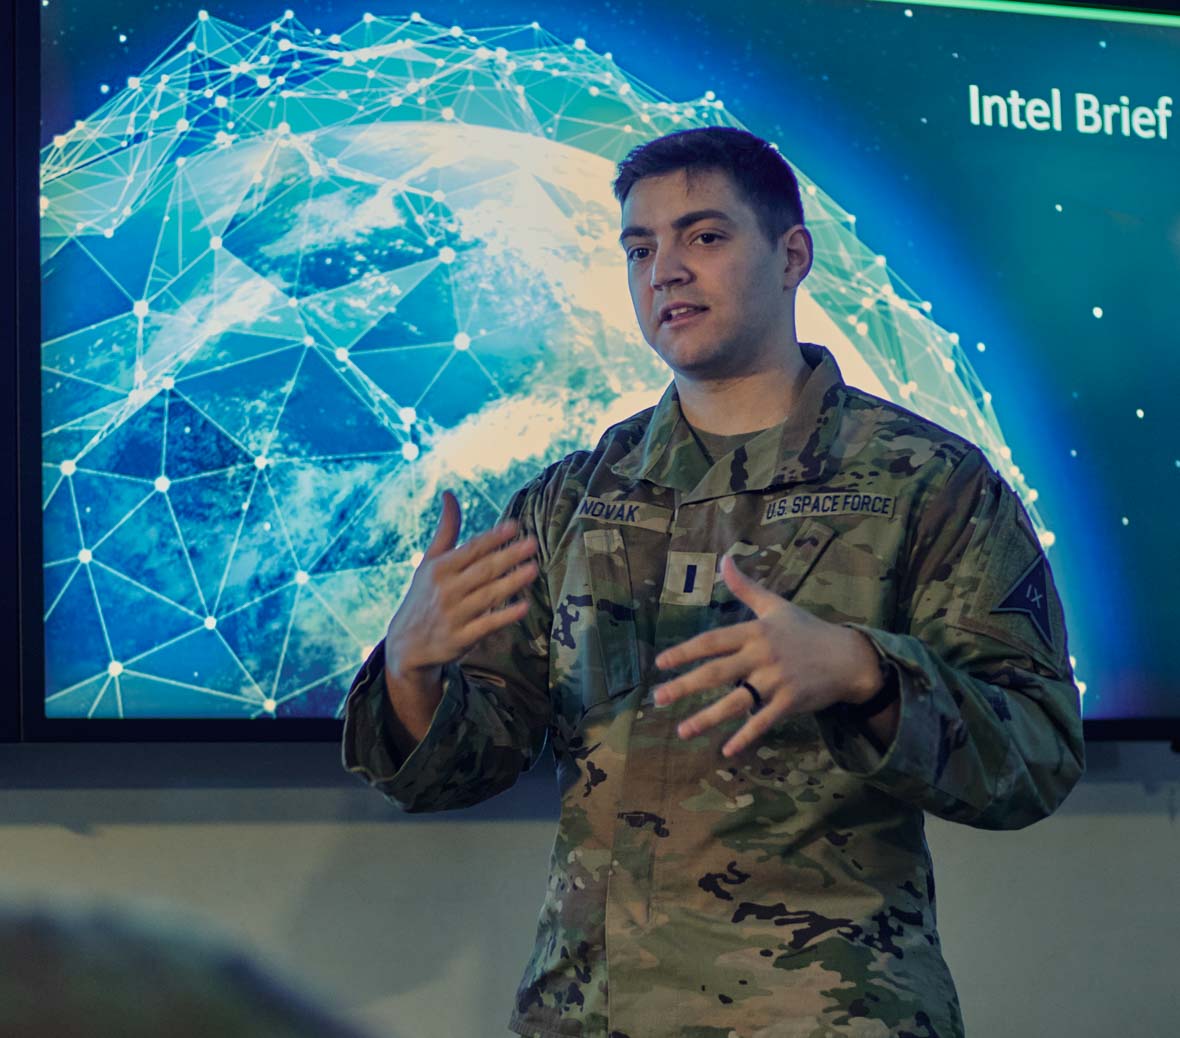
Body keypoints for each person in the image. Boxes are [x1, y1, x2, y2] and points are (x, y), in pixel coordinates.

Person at [343, 127, 1084, 1038]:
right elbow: (464, 766)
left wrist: (866, 674)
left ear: (792, 256)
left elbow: (1037, 756)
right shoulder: (573, 498)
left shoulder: (928, 483)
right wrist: (412, 673)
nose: (666, 271)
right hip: (592, 1012)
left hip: (832, 1015)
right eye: (640, 248)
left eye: (705, 236)